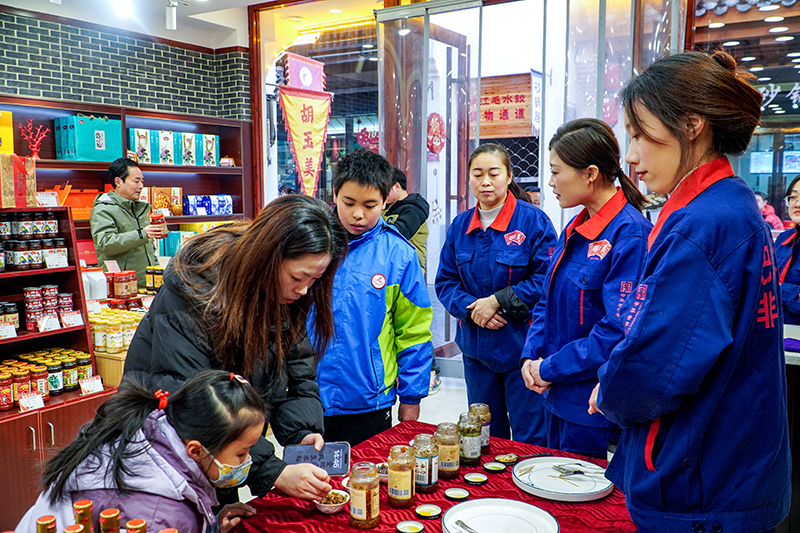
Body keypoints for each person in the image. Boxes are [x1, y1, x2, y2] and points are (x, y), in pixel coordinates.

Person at [588, 51, 790, 531]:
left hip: (702, 481)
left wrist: (610, 389)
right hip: (733, 467)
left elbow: (656, 366)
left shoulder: (703, 224)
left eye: (639, 135)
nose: (631, 156)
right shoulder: (730, 205)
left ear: (692, 126)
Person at [124, 195, 348, 503]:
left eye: (315, 279)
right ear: (267, 258)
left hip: (224, 446)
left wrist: (302, 434)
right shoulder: (196, 290)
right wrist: (272, 471)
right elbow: (197, 399)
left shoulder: (284, 295)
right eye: (297, 277)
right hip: (170, 447)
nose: (304, 289)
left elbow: (297, 372)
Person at [520, 118, 652, 458]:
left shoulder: (630, 234)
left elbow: (618, 330)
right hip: (555, 393)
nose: (550, 182)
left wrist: (549, 368)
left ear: (590, 173)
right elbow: (546, 301)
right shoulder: (575, 229)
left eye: (556, 171)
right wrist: (530, 356)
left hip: (592, 407)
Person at [17, 370, 265, 533]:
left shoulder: (154, 427)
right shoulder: (160, 515)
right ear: (196, 451)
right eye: (242, 454)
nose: (247, 461)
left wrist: (211, 526)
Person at [436, 143, 557, 444]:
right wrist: (474, 309)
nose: (486, 182)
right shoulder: (460, 226)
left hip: (522, 351)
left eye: (494, 173)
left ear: (509, 176)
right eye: (478, 174)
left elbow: (546, 279)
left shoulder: (533, 222)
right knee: (483, 436)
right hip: (476, 351)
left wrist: (497, 302)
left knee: (530, 439)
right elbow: (446, 282)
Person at [313, 149, 433, 446]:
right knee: (310, 475)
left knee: (367, 473)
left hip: (370, 399)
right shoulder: (310, 242)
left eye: (370, 205)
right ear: (335, 194)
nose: (358, 214)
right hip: (308, 394)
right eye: (348, 203)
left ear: (386, 201)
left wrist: (411, 396)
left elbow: (414, 331)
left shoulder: (398, 255)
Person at [383, 167, 440, 394]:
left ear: (397, 186)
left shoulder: (414, 208)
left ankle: (431, 372)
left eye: (385, 188)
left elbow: (399, 232)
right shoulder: (388, 209)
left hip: (410, 276)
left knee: (415, 326)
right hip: (390, 277)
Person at [90, 158, 167, 289]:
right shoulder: (103, 209)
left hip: (148, 286)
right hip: (122, 287)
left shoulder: (139, 209)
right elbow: (105, 243)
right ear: (118, 182)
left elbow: (149, 249)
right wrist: (142, 234)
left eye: (142, 181)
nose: (141, 186)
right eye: (136, 181)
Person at [775, 175, 800, 325]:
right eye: (793, 197)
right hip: (777, 329)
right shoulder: (784, 239)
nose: (797, 204)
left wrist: (777, 289)